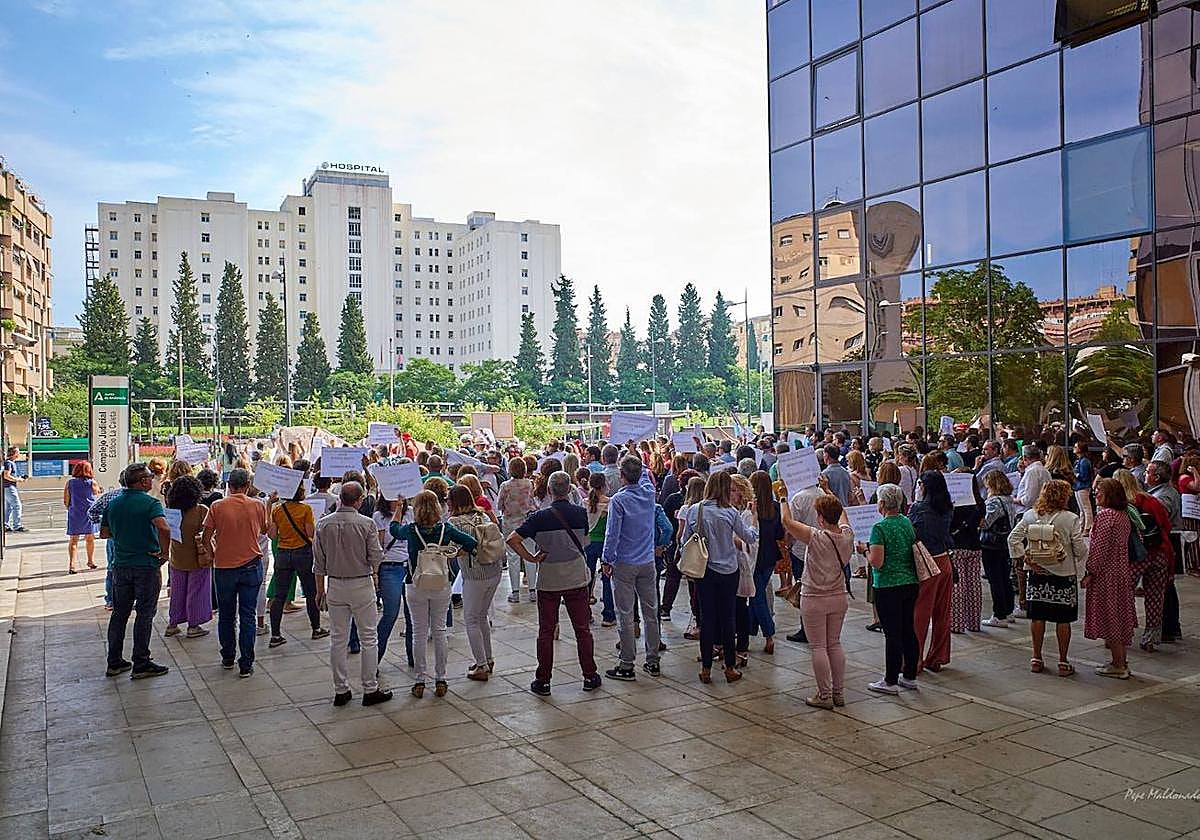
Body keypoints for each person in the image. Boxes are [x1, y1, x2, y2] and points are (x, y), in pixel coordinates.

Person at [506, 471, 601, 696]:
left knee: (546, 631)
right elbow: (586, 540)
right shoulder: (581, 514)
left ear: (549, 490)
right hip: (576, 577)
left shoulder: (539, 517)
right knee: (582, 629)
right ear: (569, 489)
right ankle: (589, 675)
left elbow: (512, 539)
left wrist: (530, 558)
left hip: (548, 579)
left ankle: (544, 680)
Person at [390, 489, 476, 697]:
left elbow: (393, 529)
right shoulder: (446, 529)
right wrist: (453, 553)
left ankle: (420, 680)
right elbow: (472, 543)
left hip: (416, 584)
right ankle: (441, 678)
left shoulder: (411, 530)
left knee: (418, 633)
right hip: (441, 583)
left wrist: (399, 509)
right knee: (439, 631)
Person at [315, 481, 391, 706]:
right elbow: (376, 556)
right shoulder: (366, 524)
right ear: (358, 501)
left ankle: (341, 689)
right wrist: (375, 574)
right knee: (369, 637)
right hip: (361, 582)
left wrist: (320, 591)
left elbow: (318, 563)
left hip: (336, 584)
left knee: (338, 639)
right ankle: (370, 688)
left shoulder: (323, 524)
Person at [681, 470, 759, 684]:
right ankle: (730, 667)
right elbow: (749, 537)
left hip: (704, 571)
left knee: (707, 618)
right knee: (728, 618)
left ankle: (706, 668)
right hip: (728, 570)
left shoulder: (695, 510)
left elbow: (685, 540)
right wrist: (753, 520)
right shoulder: (730, 513)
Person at [1007, 479, 1087, 676]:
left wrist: (1025, 559)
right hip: (1063, 574)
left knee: (1037, 617)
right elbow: (1079, 548)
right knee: (1063, 619)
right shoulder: (1070, 518)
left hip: (1037, 573)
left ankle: (1036, 658)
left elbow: (1012, 539)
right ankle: (1062, 661)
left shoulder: (1030, 515)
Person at [781, 493, 852, 708]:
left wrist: (783, 498)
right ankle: (838, 693)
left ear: (820, 518)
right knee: (835, 643)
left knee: (818, 647)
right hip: (838, 596)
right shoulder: (847, 535)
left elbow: (787, 522)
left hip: (814, 598)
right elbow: (843, 517)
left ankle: (824, 695)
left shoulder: (816, 536)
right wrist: (829, 492)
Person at [101, 462, 171, 679]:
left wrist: (125, 536)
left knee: (120, 613)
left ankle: (114, 661)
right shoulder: (150, 504)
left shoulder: (113, 504)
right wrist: (164, 553)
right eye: (150, 477)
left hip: (121, 565)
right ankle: (141, 661)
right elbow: (164, 527)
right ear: (142, 481)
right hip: (146, 565)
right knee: (144, 613)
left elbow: (104, 533)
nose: (152, 480)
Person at [202, 467, 268, 677]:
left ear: (228, 486)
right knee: (247, 615)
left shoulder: (217, 506)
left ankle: (228, 656)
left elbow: (206, 536)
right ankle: (246, 663)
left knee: (226, 615)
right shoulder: (257, 505)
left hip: (224, 567)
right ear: (248, 486)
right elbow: (265, 530)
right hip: (251, 565)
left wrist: (213, 554)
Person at [602, 456, 661, 680]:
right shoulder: (649, 493)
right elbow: (644, 474)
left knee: (625, 614)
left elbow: (612, 533)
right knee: (650, 612)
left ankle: (627, 664)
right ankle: (653, 660)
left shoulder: (618, 500)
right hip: (647, 561)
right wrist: (635, 454)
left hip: (625, 563)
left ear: (622, 476)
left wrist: (607, 560)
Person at [866, 484, 920, 695]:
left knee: (892, 633)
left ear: (881, 503)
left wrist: (865, 552)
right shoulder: (906, 522)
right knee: (908, 629)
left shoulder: (880, 528)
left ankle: (890, 680)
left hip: (888, 585)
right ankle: (909, 676)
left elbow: (877, 562)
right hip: (910, 582)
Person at [266, 472, 328, 648]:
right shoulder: (306, 510)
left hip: (283, 554)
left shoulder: (278, 510)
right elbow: (310, 534)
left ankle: (275, 634)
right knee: (310, 593)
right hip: (303, 553)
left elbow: (272, 535)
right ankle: (316, 628)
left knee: (279, 596)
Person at [447, 485, 503, 680]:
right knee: (482, 616)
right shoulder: (483, 516)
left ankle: (481, 666)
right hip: (493, 571)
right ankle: (487, 658)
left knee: (471, 619)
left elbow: (452, 549)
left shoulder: (454, 522)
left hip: (473, 575)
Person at [1083, 478, 1136, 679]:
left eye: (1099, 492)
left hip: (1107, 574)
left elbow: (1099, 549)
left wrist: (1089, 572)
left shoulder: (1106, 516)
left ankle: (1118, 664)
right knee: (1120, 616)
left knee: (1110, 616)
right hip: (1121, 572)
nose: (1096, 494)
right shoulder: (1123, 515)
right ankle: (1121, 659)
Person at [1114, 469, 1172, 652]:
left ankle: (1121, 633)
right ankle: (1151, 637)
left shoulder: (1122, 504)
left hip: (1135, 556)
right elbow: (1166, 525)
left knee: (1123, 595)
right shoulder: (1150, 500)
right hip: (1159, 552)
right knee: (1155, 596)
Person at [909, 471, 954, 673]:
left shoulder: (919, 508)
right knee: (942, 613)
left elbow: (911, 533)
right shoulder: (947, 507)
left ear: (924, 487)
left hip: (925, 562)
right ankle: (937, 656)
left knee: (920, 613)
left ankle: (914, 660)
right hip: (944, 560)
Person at [164, 475, 213, 638]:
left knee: (177, 591)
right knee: (196, 591)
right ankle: (193, 625)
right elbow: (208, 535)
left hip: (176, 557)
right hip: (197, 558)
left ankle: (172, 623)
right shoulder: (201, 511)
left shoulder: (170, 511)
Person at [1145, 460, 1184, 642]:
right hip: (1163, 543)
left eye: (1148, 472)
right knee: (1165, 587)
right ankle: (1169, 627)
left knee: (1165, 587)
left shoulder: (1164, 496)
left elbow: (1160, 517)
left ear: (1156, 477)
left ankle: (1169, 627)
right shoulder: (1159, 493)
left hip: (1166, 544)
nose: (1145, 475)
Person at [374, 495, 413, 668]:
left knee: (413, 616)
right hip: (390, 566)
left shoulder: (411, 513)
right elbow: (378, 546)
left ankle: (414, 658)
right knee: (390, 613)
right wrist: (375, 573)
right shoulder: (379, 517)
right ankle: (373, 660)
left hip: (410, 566)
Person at [747, 471, 783, 654]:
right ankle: (750, 628)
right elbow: (780, 534)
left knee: (757, 596)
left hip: (754, 557)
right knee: (757, 593)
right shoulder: (775, 508)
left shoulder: (751, 509)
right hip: (769, 556)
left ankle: (769, 634)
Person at [979, 471, 1017, 628]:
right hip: (1005, 542)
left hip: (992, 544)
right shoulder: (1008, 499)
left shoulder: (994, 502)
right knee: (1004, 577)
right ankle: (1008, 611)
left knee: (995, 579)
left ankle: (999, 614)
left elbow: (986, 523)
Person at [497, 456, 537, 603]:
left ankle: (515, 592)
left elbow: (499, 505)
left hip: (510, 523)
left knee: (513, 557)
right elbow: (534, 502)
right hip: (527, 523)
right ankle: (533, 591)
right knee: (530, 555)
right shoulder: (530, 484)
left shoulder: (505, 486)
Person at [949, 480, 983, 634]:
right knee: (974, 584)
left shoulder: (956, 502)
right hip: (974, 545)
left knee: (958, 584)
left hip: (957, 546)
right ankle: (974, 623)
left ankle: (957, 624)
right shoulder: (979, 501)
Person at [585, 473, 614, 625]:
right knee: (607, 578)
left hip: (588, 543)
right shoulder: (610, 504)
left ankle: (586, 613)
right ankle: (609, 615)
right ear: (604, 485)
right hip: (605, 544)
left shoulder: (585, 503)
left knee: (587, 578)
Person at [65, 460, 101, 573]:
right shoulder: (92, 483)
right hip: (89, 513)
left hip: (75, 513)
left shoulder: (70, 483)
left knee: (73, 540)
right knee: (90, 538)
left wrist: (70, 508)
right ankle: (90, 561)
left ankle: (72, 565)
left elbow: (66, 500)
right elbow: (96, 494)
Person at [1072, 441, 1095, 536]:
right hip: (1078, 486)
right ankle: (1082, 526)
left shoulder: (1084, 461)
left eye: (1076, 446)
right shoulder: (1078, 461)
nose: (1074, 448)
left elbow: (1084, 476)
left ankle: (1088, 527)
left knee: (1086, 508)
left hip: (1083, 486)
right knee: (1081, 508)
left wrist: (1075, 475)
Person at [2, 446, 27, 532]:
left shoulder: (9, 463)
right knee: (17, 505)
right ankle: (17, 525)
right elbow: (6, 475)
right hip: (9, 487)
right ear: (14, 453)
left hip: (6, 487)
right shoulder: (9, 463)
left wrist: (19, 478)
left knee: (8, 507)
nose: (19, 454)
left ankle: (5, 525)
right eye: (18, 452)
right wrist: (18, 479)